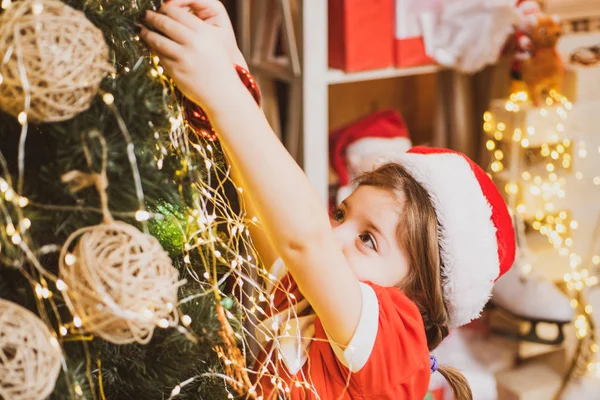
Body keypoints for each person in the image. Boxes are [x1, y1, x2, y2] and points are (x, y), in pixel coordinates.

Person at [140, 1, 516, 399]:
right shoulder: (312, 302)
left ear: (419, 296)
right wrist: (234, 72)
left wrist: (222, 91)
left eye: (368, 239)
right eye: (341, 215)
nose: (335, 235)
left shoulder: (397, 341)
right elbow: (273, 227)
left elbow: (308, 242)